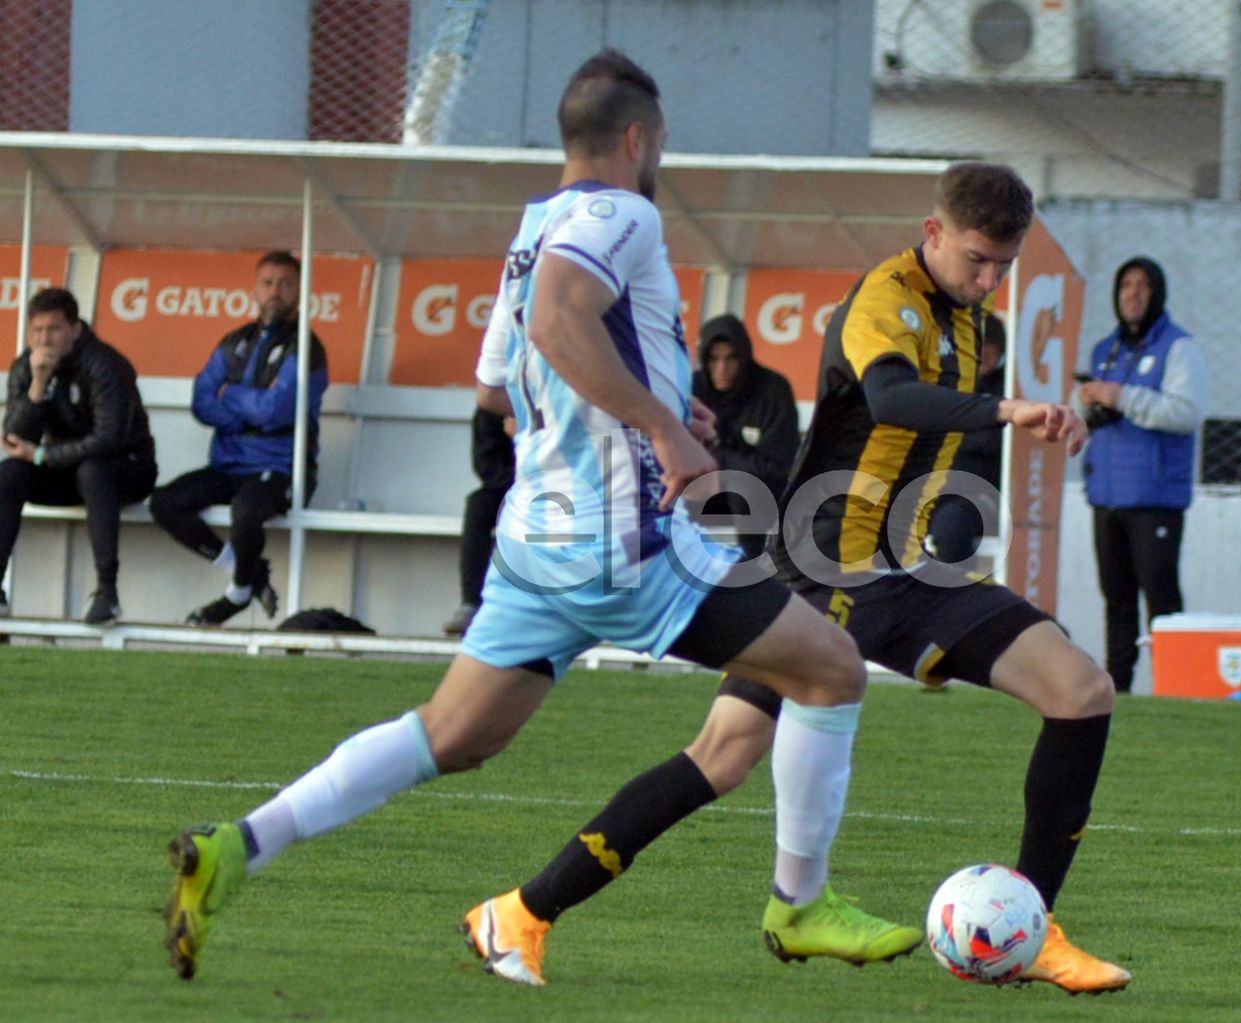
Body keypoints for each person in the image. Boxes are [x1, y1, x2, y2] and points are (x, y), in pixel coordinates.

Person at [162, 48, 901, 988]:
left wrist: (662, 398)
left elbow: (495, 388)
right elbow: (559, 323)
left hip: (538, 541)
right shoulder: (618, 211)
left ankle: (239, 846)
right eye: (662, 141)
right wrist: (664, 430)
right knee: (832, 669)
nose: (660, 157)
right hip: (623, 541)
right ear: (638, 137)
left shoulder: (534, 227)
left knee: (452, 736)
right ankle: (802, 907)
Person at [498, 163, 1133, 995]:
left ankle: (1033, 927)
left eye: (1003, 266)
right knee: (724, 755)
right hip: (825, 568)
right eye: (977, 260)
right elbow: (893, 397)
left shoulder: (967, 319)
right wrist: (1007, 410)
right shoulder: (886, 298)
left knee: (1082, 690)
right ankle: (526, 911)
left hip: (900, 573)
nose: (989, 280)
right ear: (933, 232)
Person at [148, 251, 329, 625]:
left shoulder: (307, 346)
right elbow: (201, 401)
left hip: (280, 467)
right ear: (254, 290)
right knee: (165, 503)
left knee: (246, 512)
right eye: (267, 283)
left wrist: (229, 395)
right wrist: (250, 410)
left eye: (285, 284)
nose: (275, 292)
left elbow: (277, 411)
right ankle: (250, 572)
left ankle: (237, 593)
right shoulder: (234, 341)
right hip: (228, 463)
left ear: (301, 291)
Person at [1074, 257, 1207, 695]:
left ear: (1158, 293)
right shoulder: (1104, 350)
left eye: (1143, 285)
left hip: (1154, 498)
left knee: (1162, 601)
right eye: (1125, 284)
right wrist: (1089, 408)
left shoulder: (1179, 347)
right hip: (1107, 494)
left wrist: (1122, 396)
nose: (1132, 293)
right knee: (1116, 601)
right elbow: (1099, 413)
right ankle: (1119, 692)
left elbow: (1186, 414)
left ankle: (1177, 688)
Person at [0, 288, 157, 624]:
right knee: (9, 473)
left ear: (75, 328)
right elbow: (14, 438)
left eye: (54, 329)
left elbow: (108, 439)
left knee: (93, 471)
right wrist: (38, 384)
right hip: (65, 469)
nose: (45, 339)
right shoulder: (27, 365)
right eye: (37, 331)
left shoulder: (105, 364)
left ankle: (107, 593)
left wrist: (43, 454)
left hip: (128, 468)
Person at [692, 313, 799, 557]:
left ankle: (751, 575)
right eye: (714, 359)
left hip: (762, 498)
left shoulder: (772, 390)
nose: (722, 368)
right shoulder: (694, 389)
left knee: (745, 486)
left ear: (744, 358)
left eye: (731, 359)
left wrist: (719, 457)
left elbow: (777, 467)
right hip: (706, 490)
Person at [927, 312, 1006, 563]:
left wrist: (955, 430)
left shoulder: (1009, 390)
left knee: (951, 525)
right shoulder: (947, 385)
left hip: (984, 495)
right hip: (936, 490)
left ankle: (951, 598)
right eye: (974, 344)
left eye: (989, 345)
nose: (982, 352)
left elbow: (991, 442)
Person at [442, 405, 517, 636]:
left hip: (562, 486)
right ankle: (471, 603)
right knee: (478, 506)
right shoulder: (496, 401)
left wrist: (524, 438)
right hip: (511, 485)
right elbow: (486, 463)